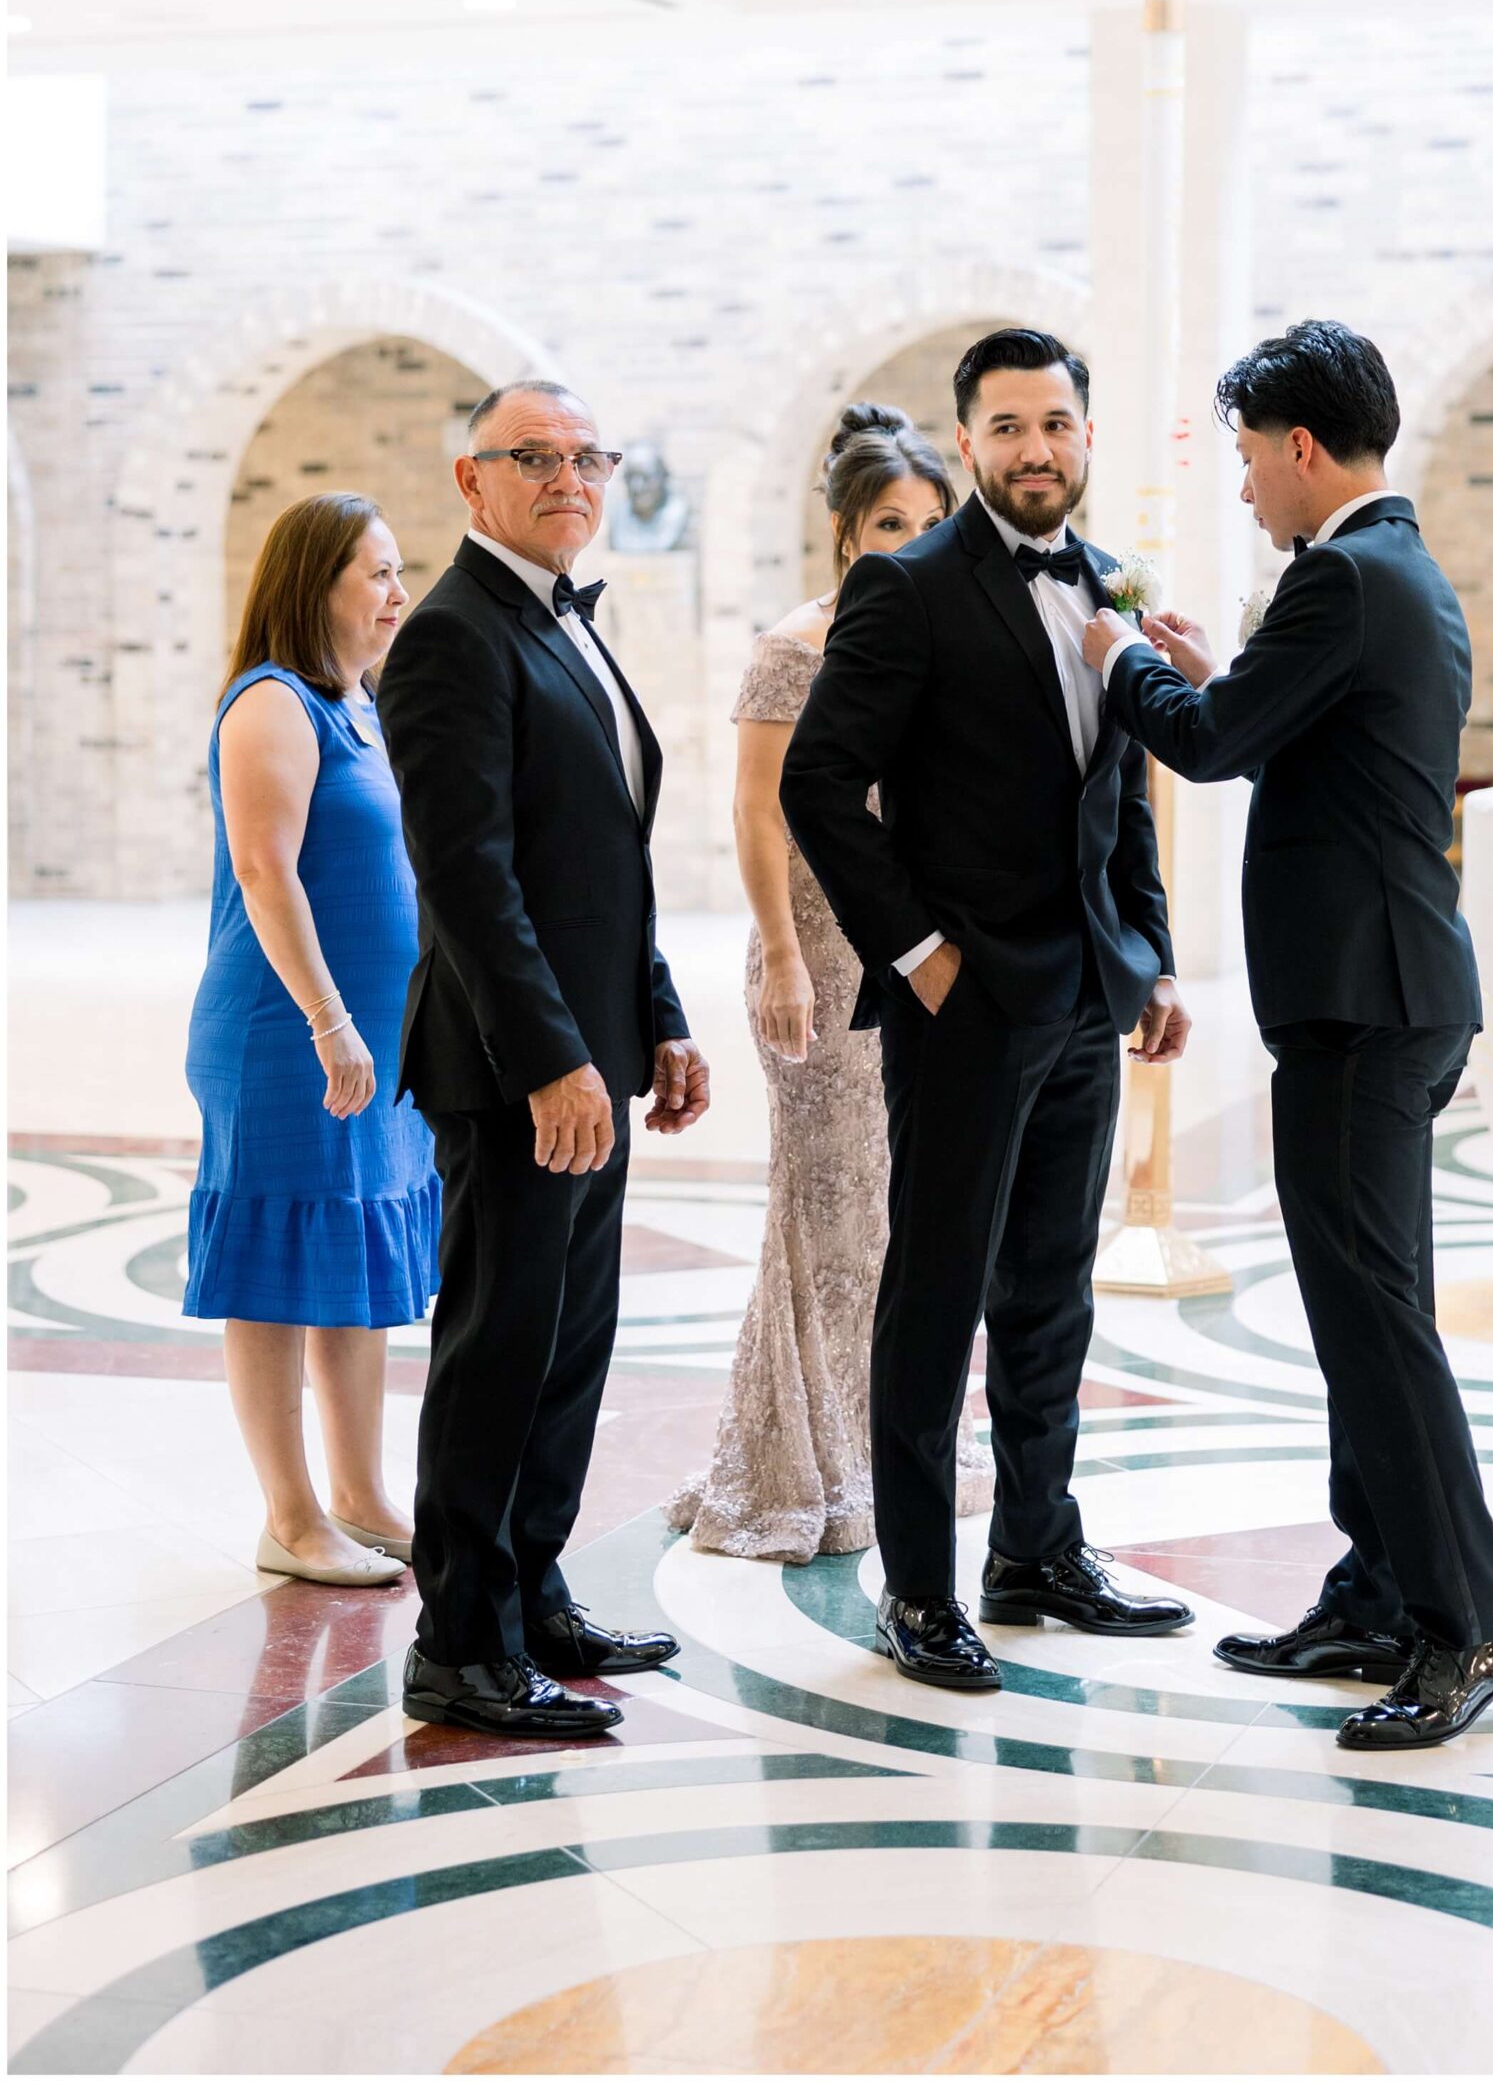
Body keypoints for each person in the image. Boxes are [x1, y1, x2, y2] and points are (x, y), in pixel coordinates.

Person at [1085, 318, 1493, 1752]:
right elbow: (1289, 727)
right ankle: (1376, 1590)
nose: (1237, 491)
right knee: (1360, 1316)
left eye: (1241, 459)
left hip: (1362, 1001)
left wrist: (1114, 663)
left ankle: (1470, 1626)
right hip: (1386, 991)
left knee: (1374, 1326)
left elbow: (1209, 746)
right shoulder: (1388, 570)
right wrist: (1217, 668)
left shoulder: (1339, 576)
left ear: (1293, 447)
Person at [782, 330, 1193, 1693]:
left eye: (1054, 424)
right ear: (966, 444)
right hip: (961, 1007)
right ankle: (916, 1588)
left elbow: (1118, 790)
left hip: (1085, 994)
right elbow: (818, 787)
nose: (1033, 448)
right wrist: (916, 956)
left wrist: (1154, 956)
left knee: (1050, 1290)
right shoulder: (905, 591)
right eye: (1006, 427)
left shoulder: (1106, 585)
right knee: (937, 1292)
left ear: (1084, 434)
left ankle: (1034, 1551)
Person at [378, 381, 710, 1741]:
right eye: (536, 457)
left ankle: (534, 1587)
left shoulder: (565, 622)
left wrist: (659, 1015)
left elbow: (602, 866)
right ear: (472, 481)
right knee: (498, 1350)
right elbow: (468, 879)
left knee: (572, 1345)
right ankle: (462, 1641)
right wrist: (550, 1063)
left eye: (587, 456)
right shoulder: (453, 637)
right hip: (517, 1071)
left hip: (592, 1055)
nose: (569, 476)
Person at [667, 405, 992, 1562]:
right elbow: (757, 811)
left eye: (926, 523)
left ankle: (879, 1441)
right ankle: (794, 1457)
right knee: (824, 1203)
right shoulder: (793, 647)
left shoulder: (933, 637)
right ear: (845, 535)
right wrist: (783, 955)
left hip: (912, 948)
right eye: (886, 524)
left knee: (898, 1206)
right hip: (811, 943)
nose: (908, 542)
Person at [184, 493, 440, 1588]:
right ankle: (289, 1517)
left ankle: (361, 1494)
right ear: (314, 583)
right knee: (280, 1259)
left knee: (355, 1254)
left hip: (373, 1038)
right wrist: (329, 1019)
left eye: (398, 571)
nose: (396, 594)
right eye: (375, 574)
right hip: (287, 1033)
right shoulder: (272, 704)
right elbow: (264, 870)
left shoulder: (360, 704)